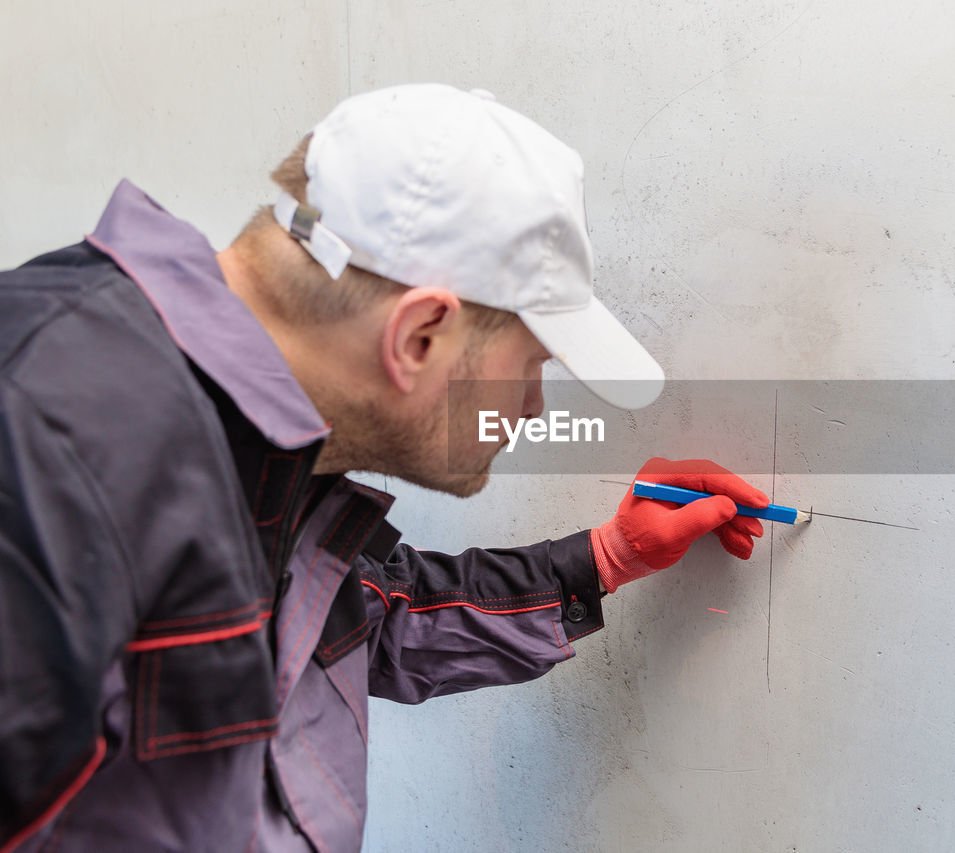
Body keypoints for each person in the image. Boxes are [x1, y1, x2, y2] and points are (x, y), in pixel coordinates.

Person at [0, 83, 768, 852]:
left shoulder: (259, 433)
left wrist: (606, 557)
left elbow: (366, 610)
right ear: (419, 335)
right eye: (530, 364)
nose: (532, 407)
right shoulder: (43, 431)